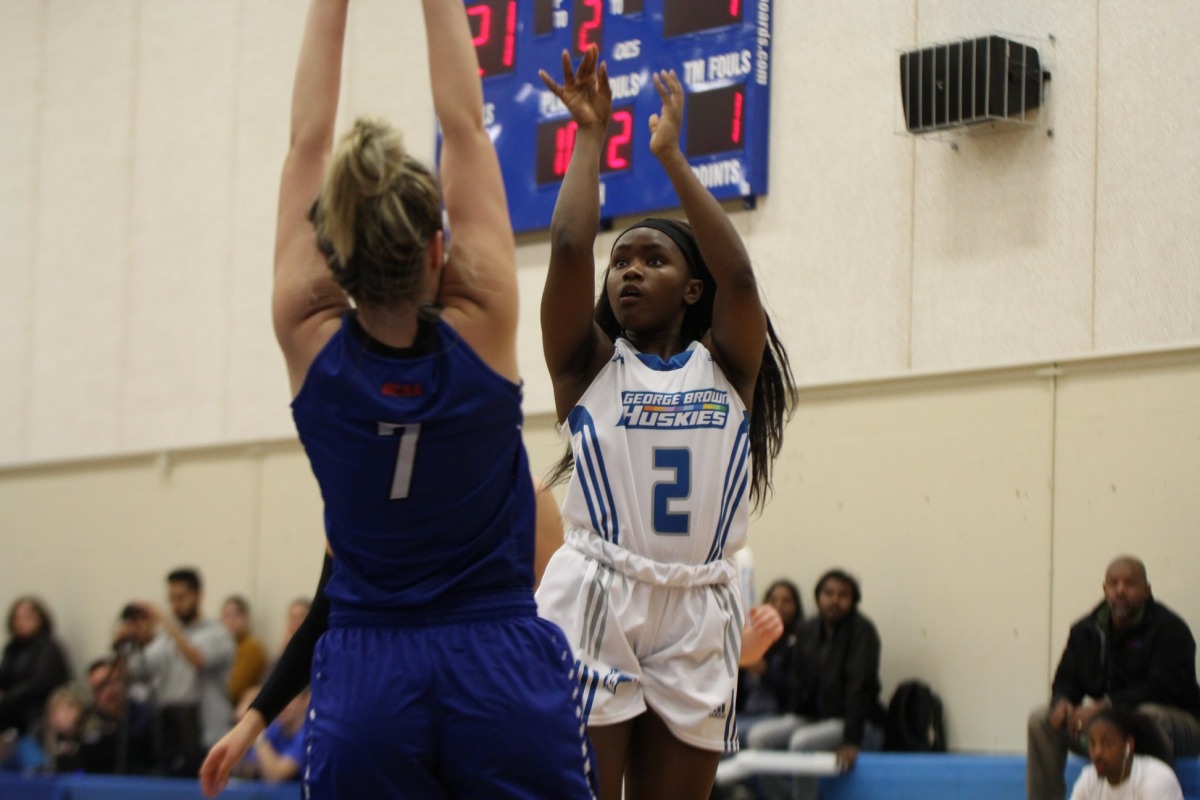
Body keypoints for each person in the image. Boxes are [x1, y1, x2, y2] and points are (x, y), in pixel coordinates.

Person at [199, 1, 595, 797]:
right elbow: (465, 125)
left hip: (369, 677)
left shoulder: (308, 337)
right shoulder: (482, 323)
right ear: (439, 249)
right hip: (495, 661)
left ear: (334, 263)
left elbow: (307, 144)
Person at [534, 45, 797, 800]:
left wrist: (673, 159)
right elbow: (568, 246)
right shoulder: (586, 367)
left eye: (653, 260)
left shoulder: (728, 367)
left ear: (691, 291)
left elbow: (738, 275)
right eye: (622, 261)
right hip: (599, 589)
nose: (630, 270)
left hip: (700, 601)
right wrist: (590, 137)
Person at [1028, 555, 1200, 800]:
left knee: (1149, 715)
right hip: (1112, 726)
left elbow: (1163, 688)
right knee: (1042, 720)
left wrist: (1105, 707)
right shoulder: (1086, 630)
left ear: (1146, 591)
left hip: (1179, 726)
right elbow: (1066, 679)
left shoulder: (1171, 629)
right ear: (1104, 589)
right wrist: (1062, 702)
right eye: (1113, 583)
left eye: (1130, 583)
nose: (1120, 590)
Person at [745, 569, 886, 800]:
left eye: (843, 595)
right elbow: (798, 681)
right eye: (828, 593)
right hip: (814, 718)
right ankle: (783, 797)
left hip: (856, 722)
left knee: (802, 742)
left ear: (853, 600)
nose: (835, 600)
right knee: (758, 737)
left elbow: (859, 688)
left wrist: (852, 740)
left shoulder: (863, 632)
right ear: (818, 597)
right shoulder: (807, 630)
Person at [128, 568, 235, 776]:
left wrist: (166, 622)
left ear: (198, 596)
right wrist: (137, 640)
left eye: (181, 597)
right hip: (172, 735)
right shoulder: (165, 639)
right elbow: (138, 670)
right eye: (171, 599)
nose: (176, 605)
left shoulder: (218, 634)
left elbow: (198, 659)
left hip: (208, 736)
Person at [737, 579, 805, 746]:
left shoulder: (799, 641)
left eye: (786, 601)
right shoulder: (754, 636)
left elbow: (797, 689)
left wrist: (765, 671)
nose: (779, 605)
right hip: (745, 711)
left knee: (733, 735)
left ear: (796, 606)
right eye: (773, 600)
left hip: (778, 713)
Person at [1068, 707, 1183, 800]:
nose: (1097, 753)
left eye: (1106, 743)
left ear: (1129, 744)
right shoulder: (1089, 779)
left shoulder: (1156, 779)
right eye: (1092, 744)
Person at [0, 596, 73, 739]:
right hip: (13, 705)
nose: (22, 622)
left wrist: (9, 696)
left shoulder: (49, 647)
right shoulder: (12, 649)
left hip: (37, 706)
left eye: (28, 617)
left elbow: (41, 683)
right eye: (17, 618)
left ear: (40, 619)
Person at [78, 657, 155, 774]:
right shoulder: (90, 722)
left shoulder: (146, 715)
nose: (108, 690)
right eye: (100, 687)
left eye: (112, 682)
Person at [219, 596, 267, 706]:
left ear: (245, 618)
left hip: (240, 706)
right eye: (226, 616)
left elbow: (234, 689)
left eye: (235, 615)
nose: (230, 621)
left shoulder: (252, 647)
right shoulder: (222, 646)